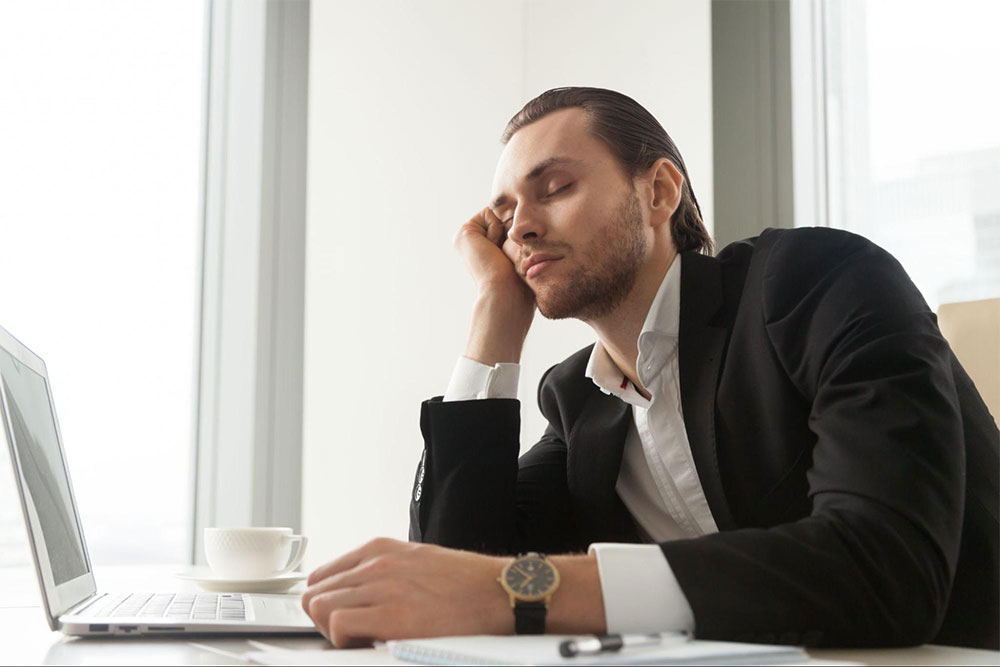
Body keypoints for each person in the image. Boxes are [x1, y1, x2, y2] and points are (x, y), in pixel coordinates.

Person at [301, 87, 999, 650]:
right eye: (506, 212)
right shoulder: (580, 400)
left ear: (659, 191)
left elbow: (888, 570)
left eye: (555, 187)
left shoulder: (816, 284)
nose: (519, 228)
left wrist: (528, 589)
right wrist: (494, 316)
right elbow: (456, 569)